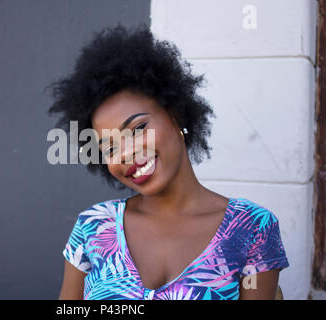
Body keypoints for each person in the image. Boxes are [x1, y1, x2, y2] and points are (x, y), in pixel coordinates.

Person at [46, 22, 289, 300]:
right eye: (109, 147)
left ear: (176, 115)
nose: (125, 154)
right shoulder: (92, 227)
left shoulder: (252, 227)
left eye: (137, 129)